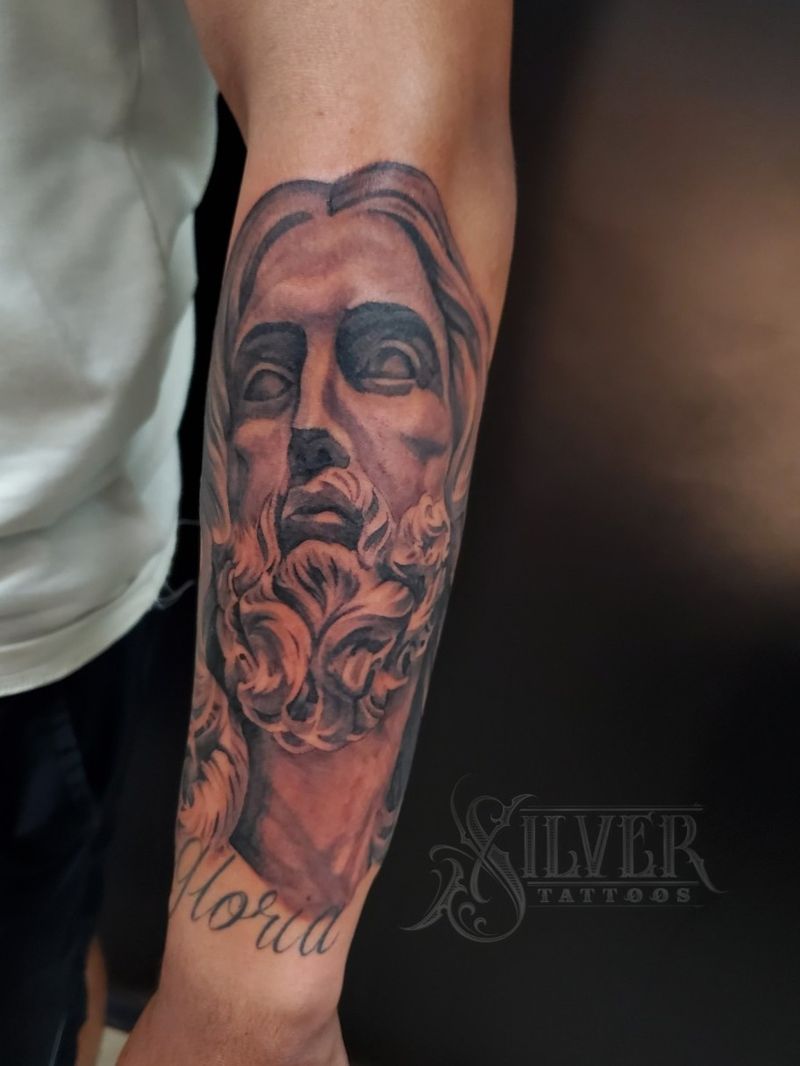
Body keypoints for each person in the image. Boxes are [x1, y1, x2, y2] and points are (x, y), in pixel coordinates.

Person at [0, 2, 515, 1064]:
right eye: (272, 378)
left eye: (380, 363)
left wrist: (248, 1012)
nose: (313, 421)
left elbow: (381, 81)